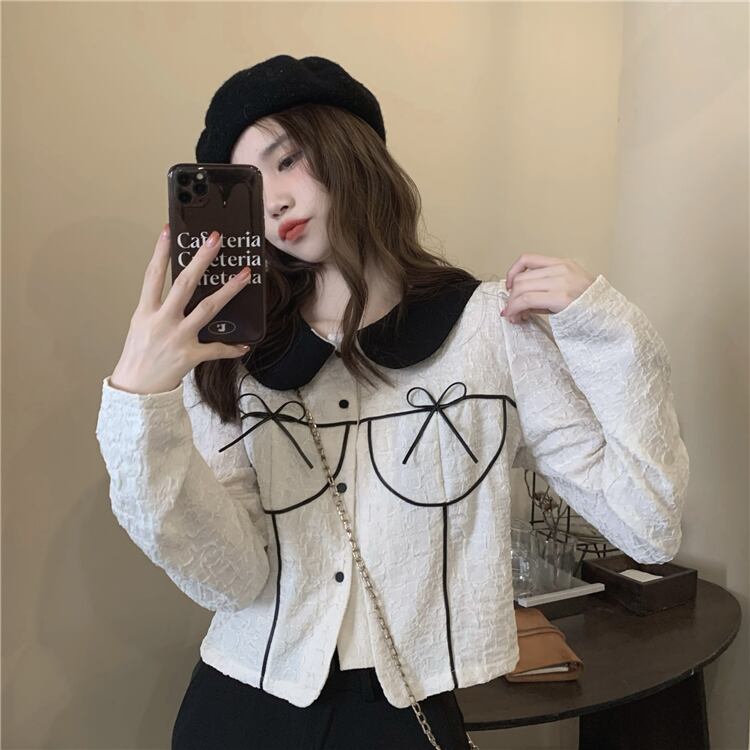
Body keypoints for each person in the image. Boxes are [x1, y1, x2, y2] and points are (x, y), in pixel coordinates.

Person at [94, 55, 690, 750]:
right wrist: (141, 399)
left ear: (351, 148)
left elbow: (647, 526)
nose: (274, 202)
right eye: (248, 189)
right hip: (239, 710)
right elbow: (232, 579)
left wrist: (606, 332)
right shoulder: (232, 360)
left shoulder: (489, 328)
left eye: (287, 160)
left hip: (405, 710)